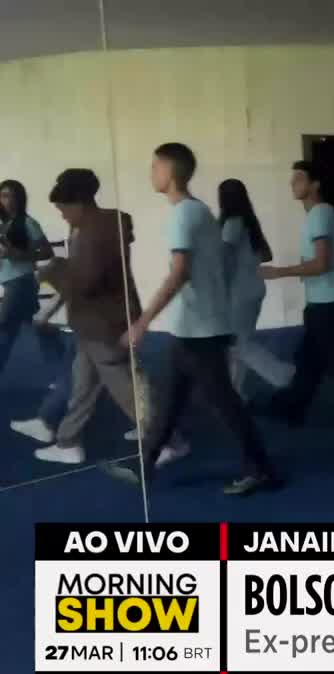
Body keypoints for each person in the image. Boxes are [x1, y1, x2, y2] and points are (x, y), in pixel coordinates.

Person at [124, 143, 275, 495]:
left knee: (223, 403)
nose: (151, 173)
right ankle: (144, 466)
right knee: (172, 402)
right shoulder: (198, 212)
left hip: (200, 329)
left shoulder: (183, 215)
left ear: (168, 170)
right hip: (193, 325)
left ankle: (262, 469)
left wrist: (143, 319)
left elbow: (180, 272)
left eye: (154, 166)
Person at [19, 169, 184, 464]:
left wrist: (52, 271)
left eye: (63, 209)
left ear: (78, 203)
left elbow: (85, 283)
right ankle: (68, 442)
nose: (62, 216)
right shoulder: (106, 222)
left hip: (102, 323)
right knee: (83, 384)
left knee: (126, 388)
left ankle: (167, 441)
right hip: (100, 321)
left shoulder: (94, 231)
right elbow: (87, 270)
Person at [259, 161, 334, 427]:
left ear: (315, 184)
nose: (292, 184)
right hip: (323, 302)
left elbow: (321, 263)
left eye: (299, 179)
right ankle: (293, 406)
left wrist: (279, 272)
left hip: (330, 304)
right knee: (311, 360)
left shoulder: (319, 214)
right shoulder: (318, 215)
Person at [217, 179, 293, 399]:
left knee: (238, 344)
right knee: (239, 342)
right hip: (255, 288)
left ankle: (284, 375)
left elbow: (223, 259)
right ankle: (236, 392)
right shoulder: (250, 223)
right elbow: (266, 254)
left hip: (239, 293)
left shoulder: (231, 223)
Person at [0, 179, 53, 374]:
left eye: (13, 196)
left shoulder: (29, 223)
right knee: (14, 331)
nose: (8, 201)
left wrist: (20, 255)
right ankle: (58, 358)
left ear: (21, 200)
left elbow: (48, 252)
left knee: (4, 326)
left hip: (21, 282)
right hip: (10, 283)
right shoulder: (3, 225)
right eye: (4, 196)